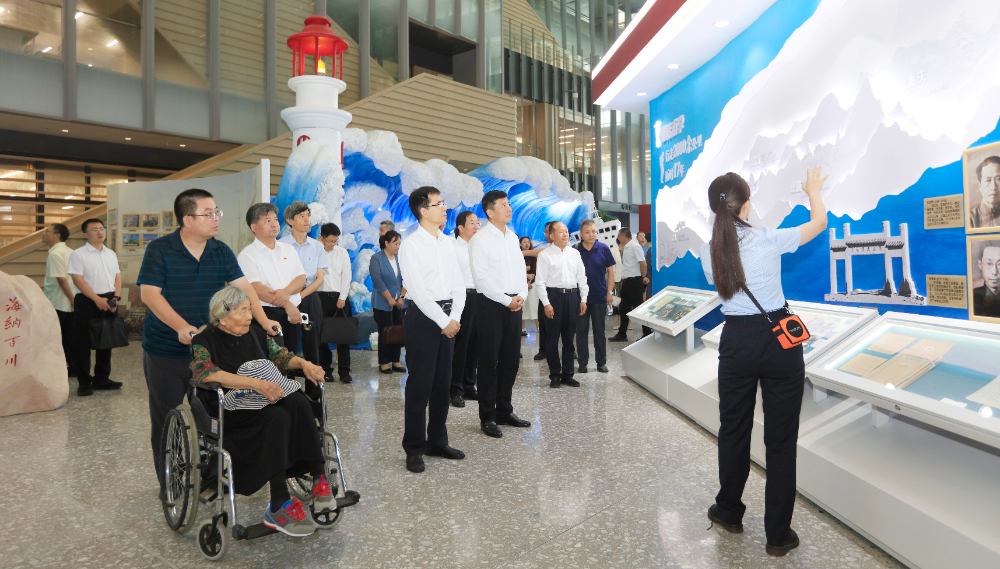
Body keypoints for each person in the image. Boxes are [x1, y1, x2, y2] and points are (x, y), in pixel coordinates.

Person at [700, 167, 829, 557]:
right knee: (781, 440)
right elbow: (819, 223)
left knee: (733, 431)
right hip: (778, 343)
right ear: (746, 204)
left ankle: (728, 510)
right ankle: (777, 534)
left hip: (736, 342)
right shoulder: (769, 238)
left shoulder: (710, 251)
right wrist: (813, 191)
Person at [138, 188, 279, 490]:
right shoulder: (160, 250)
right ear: (187, 219)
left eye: (217, 212)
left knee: (216, 416)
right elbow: (149, 294)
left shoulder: (221, 250)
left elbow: (245, 289)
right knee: (167, 417)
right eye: (208, 213)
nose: (216, 218)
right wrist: (180, 326)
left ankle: (213, 476)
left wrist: (264, 320)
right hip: (166, 351)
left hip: (211, 350)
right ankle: (172, 483)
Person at [189, 286, 332, 538]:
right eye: (242, 311)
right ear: (223, 318)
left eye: (249, 310)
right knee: (277, 417)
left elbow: (281, 356)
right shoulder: (204, 340)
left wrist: (305, 364)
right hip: (231, 407)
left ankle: (320, 480)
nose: (249, 316)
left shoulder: (255, 333)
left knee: (298, 401)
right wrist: (255, 384)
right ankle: (278, 504)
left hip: (264, 398)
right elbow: (205, 373)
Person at [398, 187, 468, 473]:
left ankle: (437, 441)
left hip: (448, 317)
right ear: (423, 210)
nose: (444, 208)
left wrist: (454, 317)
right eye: (438, 204)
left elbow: (458, 283)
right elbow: (416, 290)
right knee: (420, 384)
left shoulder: (448, 243)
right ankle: (414, 447)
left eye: (443, 203)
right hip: (423, 317)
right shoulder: (411, 245)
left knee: (442, 383)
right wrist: (443, 321)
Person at [470, 190, 531, 438]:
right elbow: (481, 279)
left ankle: (505, 410)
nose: (509, 208)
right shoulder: (480, 239)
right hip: (491, 305)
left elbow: (520, 271)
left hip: (514, 304)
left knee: (510, 360)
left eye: (509, 204)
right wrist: (507, 300)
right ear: (490, 211)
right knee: (488, 362)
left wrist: (521, 296)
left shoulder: (512, 237)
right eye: (503, 205)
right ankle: (487, 416)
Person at [238, 203, 307, 360]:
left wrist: (286, 293)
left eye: (275, 219)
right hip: (265, 315)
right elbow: (256, 288)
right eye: (267, 221)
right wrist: (286, 303)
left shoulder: (289, 249)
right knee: (269, 363)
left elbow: (301, 279)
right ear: (254, 227)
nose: (275, 224)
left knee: (290, 360)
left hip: (293, 314)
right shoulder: (247, 255)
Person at [67, 218, 123, 396]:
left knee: (106, 339)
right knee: (83, 342)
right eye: (94, 230)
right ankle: (84, 382)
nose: (100, 232)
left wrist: (115, 298)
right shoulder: (78, 254)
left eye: (102, 229)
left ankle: (102, 378)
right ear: (85, 234)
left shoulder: (110, 253)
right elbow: (78, 280)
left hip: (109, 298)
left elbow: (117, 277)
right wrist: (97, 300)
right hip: (87, 300)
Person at [279, 201, 328, 397]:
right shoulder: (281, 245)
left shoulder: (317, 246)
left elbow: (320, 279)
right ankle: (288, 393)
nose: (307, 220)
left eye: (308, 215)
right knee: (288, 345)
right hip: (286, 300)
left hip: (309, 298)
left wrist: (301, 296)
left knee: (311, 345)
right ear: (290, 221)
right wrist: (291, 297)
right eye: (302, 216)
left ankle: (314, 395)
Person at [536, 222, 588, 388]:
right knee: (552, 339)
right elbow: (540, 282)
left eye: (566, 231)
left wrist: (583, 299)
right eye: (561, 232)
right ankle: (555, 375)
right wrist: (546, 303)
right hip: (554, 297)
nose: (566, 234)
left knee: (569, 339)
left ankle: (568, 374)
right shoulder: (545, 255)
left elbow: (582, 278)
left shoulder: (575, 253)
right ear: (552, 236)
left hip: (573, 297)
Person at [574, 219, 616, 374]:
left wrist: (609, 292)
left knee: (600, 332)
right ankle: (582, 363)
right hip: (580, 299)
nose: (591, 235)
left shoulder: (603, 248)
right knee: (581, 331)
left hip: (599, 297)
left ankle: (601, 362)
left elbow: (611, 271)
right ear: (581, 234)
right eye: (587, 232)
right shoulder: (575, 250)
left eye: (593, 231)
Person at [450, 211, 480, 407]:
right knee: (460, 345)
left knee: (475, 344)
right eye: (472, 223)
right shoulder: (452, 247)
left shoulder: (479, 247)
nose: (476, 226)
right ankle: (455, 389)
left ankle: (470, 385)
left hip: (480, 296)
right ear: (460, 227)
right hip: (462, 297)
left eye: (477, 223)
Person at [317, 223, 354, 383]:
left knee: (343, 336)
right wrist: (318, 248)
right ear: (322, 238)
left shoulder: (342, 252)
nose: (333, 244)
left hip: (340, 298)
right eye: (330, 241)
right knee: (321, 337)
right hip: (320, 298)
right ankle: (326, 370)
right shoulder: (315, 252)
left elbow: (347, 275)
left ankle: (344, 371)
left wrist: (342, 297)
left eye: (335, 241)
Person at [42, 223, 77, 378]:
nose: (43, 233)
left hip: (58, 302)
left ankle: (54, 369)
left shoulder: (55, 254)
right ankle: (73, 368)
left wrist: (72, 299)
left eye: (47, 231)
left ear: (57, 235)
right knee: (69, 338)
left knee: (53, 337)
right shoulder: (71, 252)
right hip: (68, 301)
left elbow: (61, 279)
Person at [370, 230, 406, 373]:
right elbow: (377, 281)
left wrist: (401, 297)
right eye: (395, 244)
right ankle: (384, 362)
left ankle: (396, 361)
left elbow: (406, 278)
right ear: (386, 243)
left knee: (398, 330)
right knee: (385, 331)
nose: (398, 247)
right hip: (382, 302)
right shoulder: (376, 258)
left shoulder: (400, 257)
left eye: (399, 244)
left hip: (400, 302)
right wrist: (390, 299)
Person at [609, 228, 646, 342]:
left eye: (619, 236)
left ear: (623, 237)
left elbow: (643, 264)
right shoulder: (626, 247)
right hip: (626, 282)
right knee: (624, 308)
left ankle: (647, 332)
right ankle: (622, 333)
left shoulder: (635, 246)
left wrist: (642, 277)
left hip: (635, 281)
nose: (618, 238)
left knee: (639, 307)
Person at [969, 156, 1000, 228]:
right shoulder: (970, 218)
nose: (993, 187)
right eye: (988, 180)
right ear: (979, 186)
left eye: (998, 179)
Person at [973, 243, 1000, 318]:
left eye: (999, 264)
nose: (994, 272)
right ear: (980, 264)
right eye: (989, 263)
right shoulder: (973, 295)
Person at [520, 236, 539, 337]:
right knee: (523, 306)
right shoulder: (517, 254)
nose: (527, 244)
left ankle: (538, 326)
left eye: (528, 242)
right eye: (524, 242)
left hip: (533, 283)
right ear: (520, 244)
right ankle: (522, 328)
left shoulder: (534, 255)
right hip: (520, 284)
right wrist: (525, 276)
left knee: (534, 305)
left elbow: (535, 270)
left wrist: (530, 280)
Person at [610, 238, 623, 330]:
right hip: (617, 279)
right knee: (617, 301)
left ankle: (629, 323)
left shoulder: (630, 251)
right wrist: (612, 281)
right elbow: (612, 268)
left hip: (628, 278)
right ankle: (617, 323)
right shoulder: (614, 251)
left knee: (628, 301)